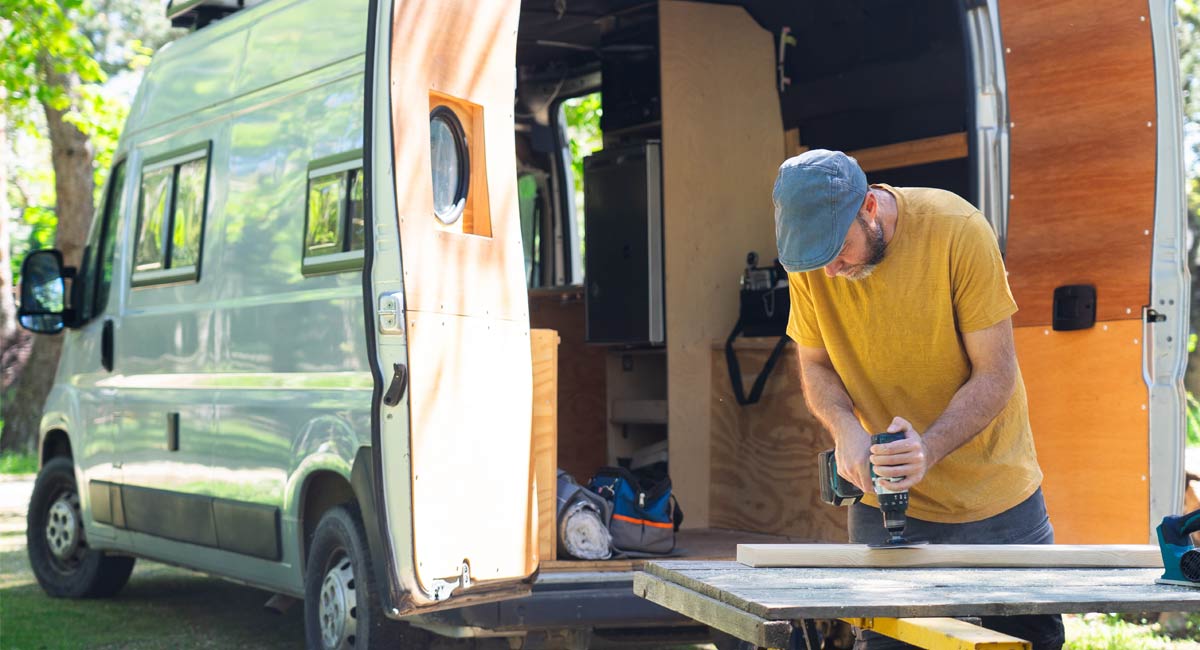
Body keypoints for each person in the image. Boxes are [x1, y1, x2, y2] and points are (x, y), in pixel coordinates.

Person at [772, 149, 1064, 650]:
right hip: (885, 502)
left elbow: (995, 375)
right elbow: (815, 366)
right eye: (816, 260)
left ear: (868, 207)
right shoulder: (814, 257)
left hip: (996, 501)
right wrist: (846, 430)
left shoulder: (957, 230)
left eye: (839, 251)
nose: (831, 272)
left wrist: (927, 449)